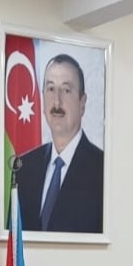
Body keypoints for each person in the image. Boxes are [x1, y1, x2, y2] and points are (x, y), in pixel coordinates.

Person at [16, 54, 104, 233]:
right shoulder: (24, 167)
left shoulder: (101, 168)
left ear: (82, 102)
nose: (57, 101)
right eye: (50, 89)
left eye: (66, 90)